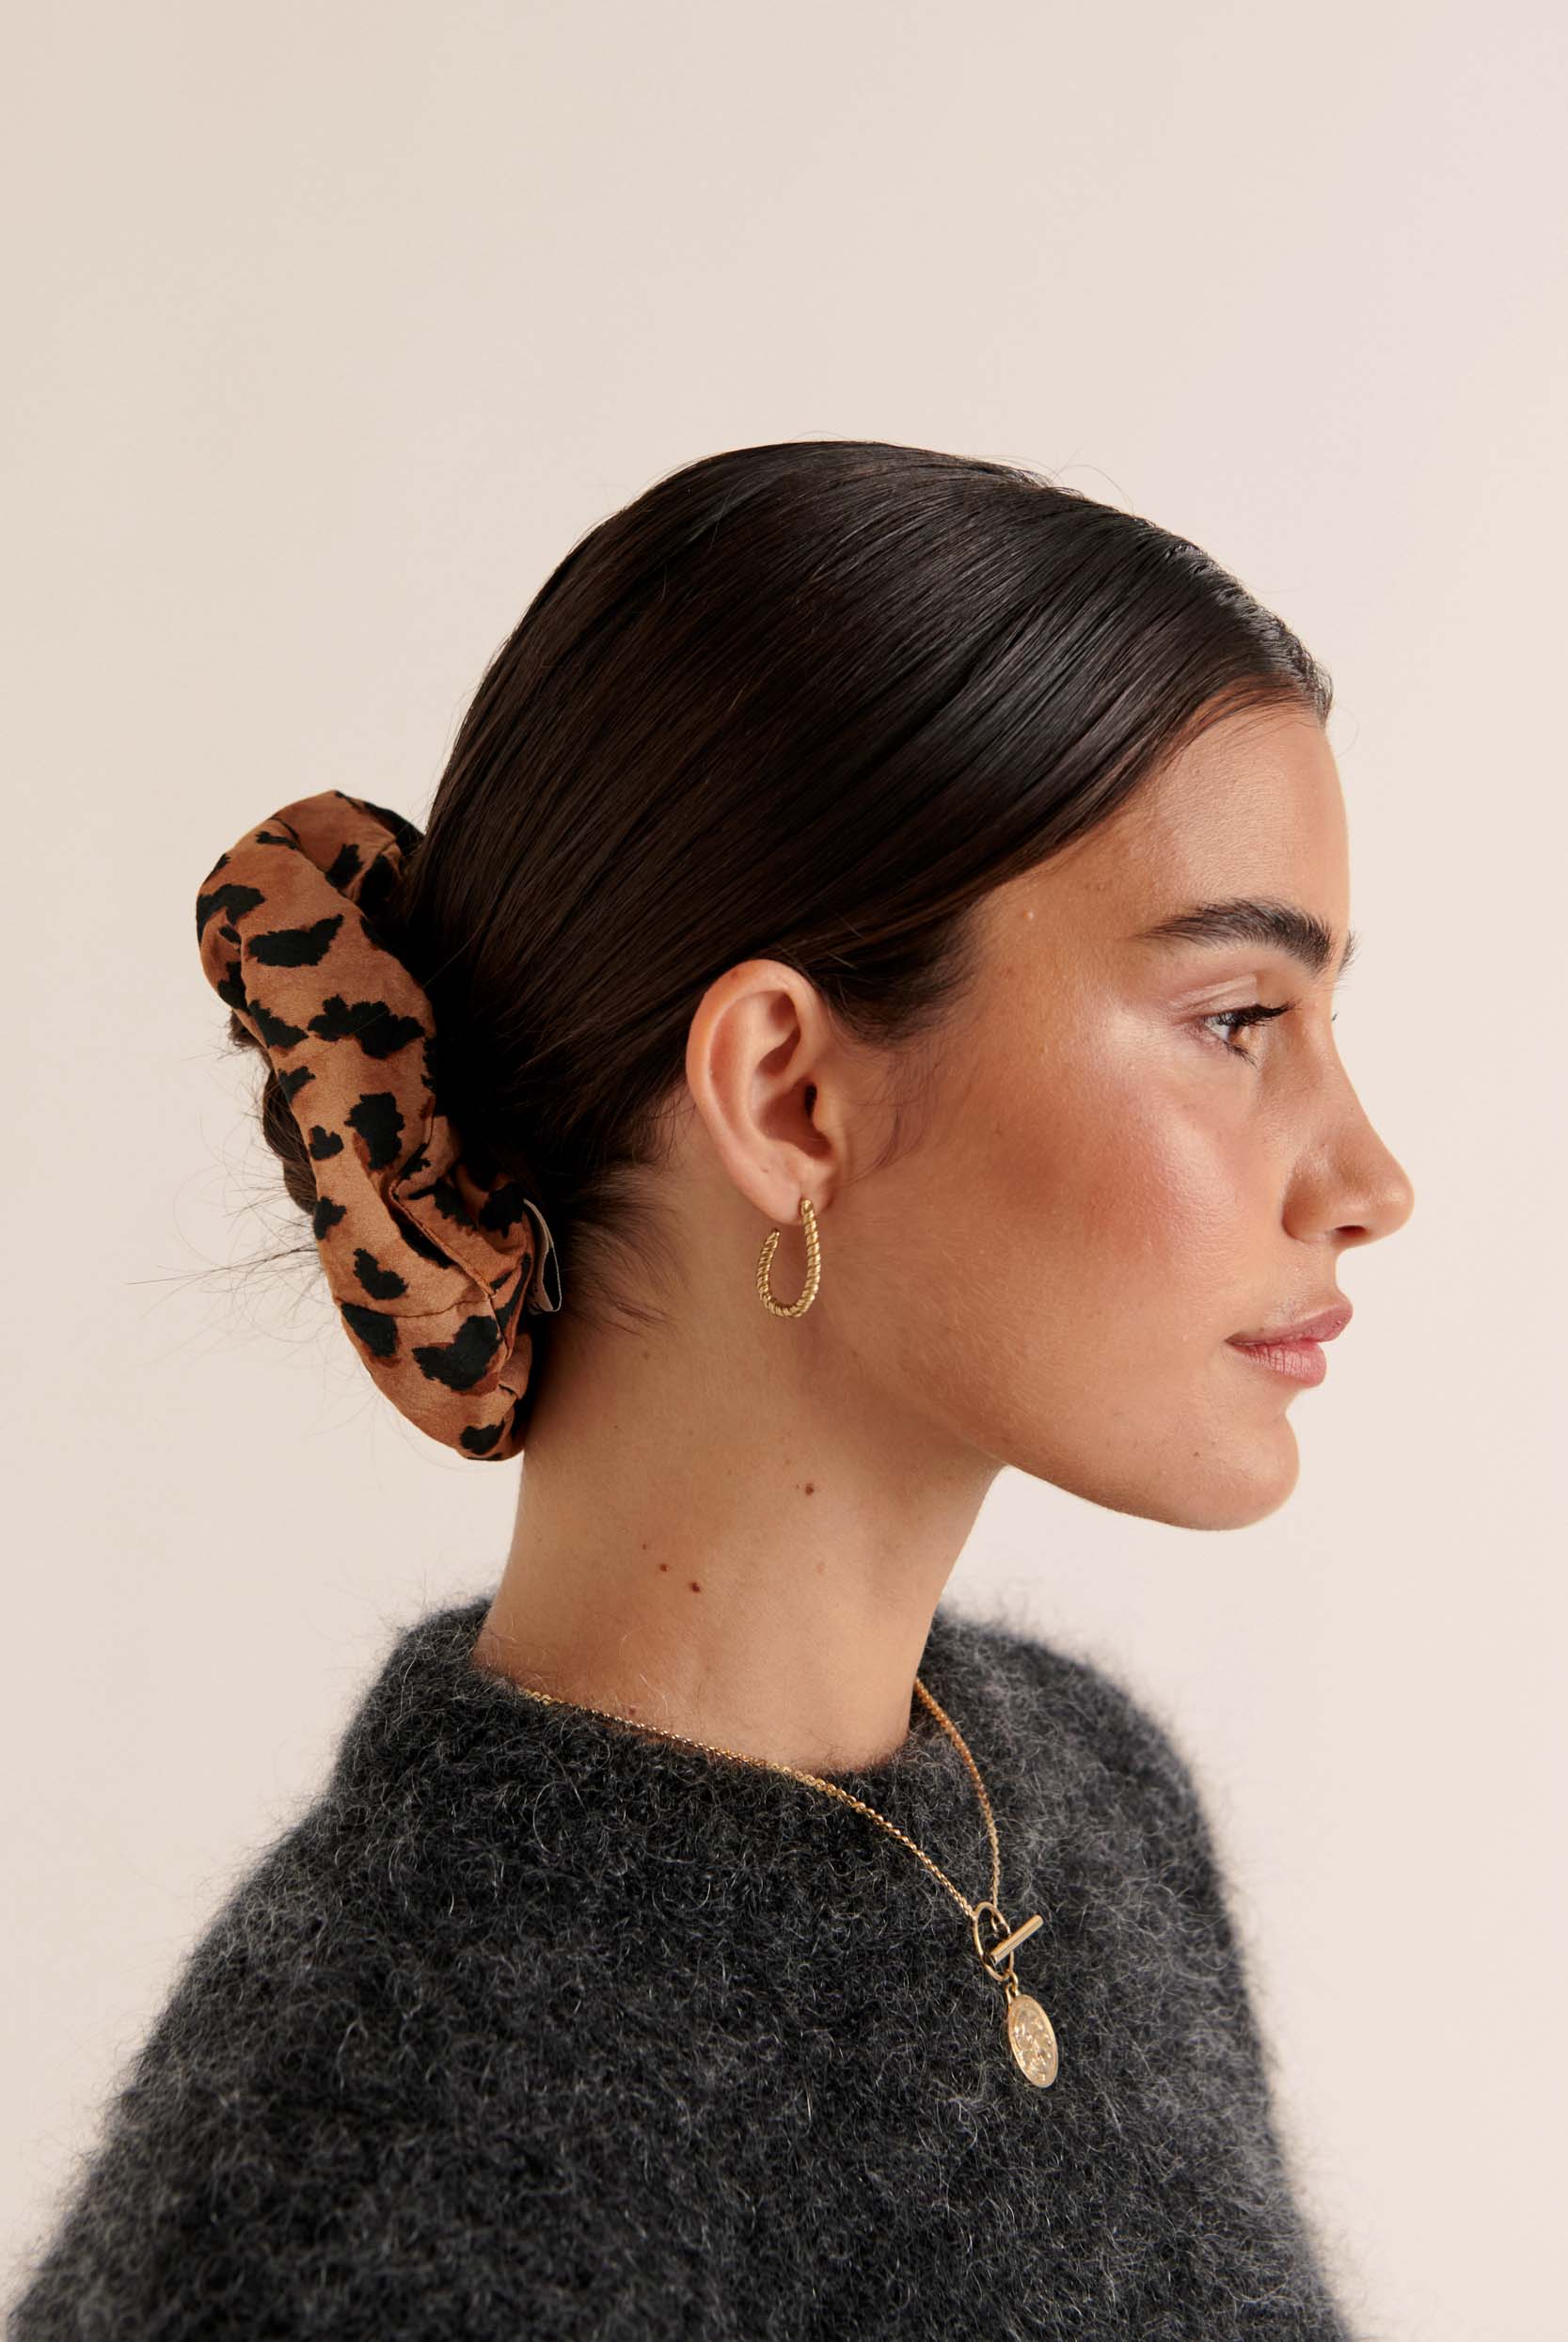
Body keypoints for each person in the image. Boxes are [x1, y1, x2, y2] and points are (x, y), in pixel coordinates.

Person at [9, 439, 1414, 2339]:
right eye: (1238, 1019)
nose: (1369, 1178)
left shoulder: (1084, 1804)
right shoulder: (379, 2168)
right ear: (788, 1095)